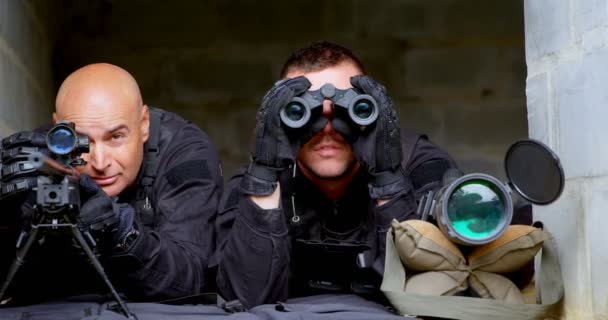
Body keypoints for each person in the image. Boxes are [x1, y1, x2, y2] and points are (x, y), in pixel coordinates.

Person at [214, 42, 459, 308]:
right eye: (302, 113)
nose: (327, 129)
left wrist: (387, 176)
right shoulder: (261, 178)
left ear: (372, 110)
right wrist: (264, 174)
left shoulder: (419, 164)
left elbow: (438, 290)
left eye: (347, 111)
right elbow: (243, 297)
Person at [0, 63, 223, 304]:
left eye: (116, 137)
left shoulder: (185, 155)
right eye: (83, 141)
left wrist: (122, 230)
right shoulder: (49, 152)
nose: (100, 161)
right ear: (58, 127)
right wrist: (8, 218)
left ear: (144, 124)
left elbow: (191, 279)